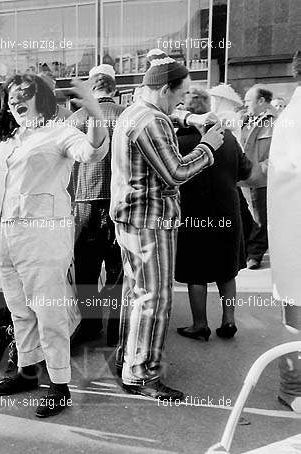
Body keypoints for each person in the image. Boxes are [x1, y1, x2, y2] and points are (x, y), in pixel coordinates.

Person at [0, 72, 109, 418]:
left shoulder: (61, 133)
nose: (16, 100)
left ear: (42, 99)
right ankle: (28, 371)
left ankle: (60, 385)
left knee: (49, 310)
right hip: (6, 233)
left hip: (42, 236)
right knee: (19, 307)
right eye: (11, 96)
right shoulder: (13, 138)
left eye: (25, 93)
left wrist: (94, 111)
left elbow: (91, 152)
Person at [110, 50, 224, 401]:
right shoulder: (152, 121)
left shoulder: (135, 111)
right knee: (154, 300)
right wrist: (208, 147)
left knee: (136, 296)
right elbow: (176, 172)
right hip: (151, 221)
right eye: (180, 94)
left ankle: (128, 361)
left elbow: (167, 123)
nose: (181, 101)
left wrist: (191, 119)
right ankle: (142, 375)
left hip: (132, 218)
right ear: (164, 90)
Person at [174, 87, 259, 341]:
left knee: (195, 270)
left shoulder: (178, 141)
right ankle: (229, 320)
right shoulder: (229, 138)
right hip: (227, 211)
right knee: (226, 269)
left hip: (193, 213)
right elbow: (246, 172)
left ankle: (200, 325)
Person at [69, 64, 125, 347]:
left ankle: (90, 325)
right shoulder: (126, 116)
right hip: (120, 200)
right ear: (114, 89)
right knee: (117, 265)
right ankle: (115, 329)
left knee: (87, 269)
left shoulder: (76, 119)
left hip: (85, 201)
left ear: (92, 88)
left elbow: (66, 168)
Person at [268, 49, 301, 413]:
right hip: (296, 235)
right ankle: (292, 389)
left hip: (293, 235)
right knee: (296, 318)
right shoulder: (296, 116)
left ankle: (293, 387)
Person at [241, 85, 275, 270]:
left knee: (260, 219)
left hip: (261, 179)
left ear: (261, 101)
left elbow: (279, 151)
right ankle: (249, 251)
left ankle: (255, 254)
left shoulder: (275, 121)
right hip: (244, 178)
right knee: (249, 217)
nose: (245, 104)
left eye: (248, 100)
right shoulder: (246, 119)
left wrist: (263, 169)